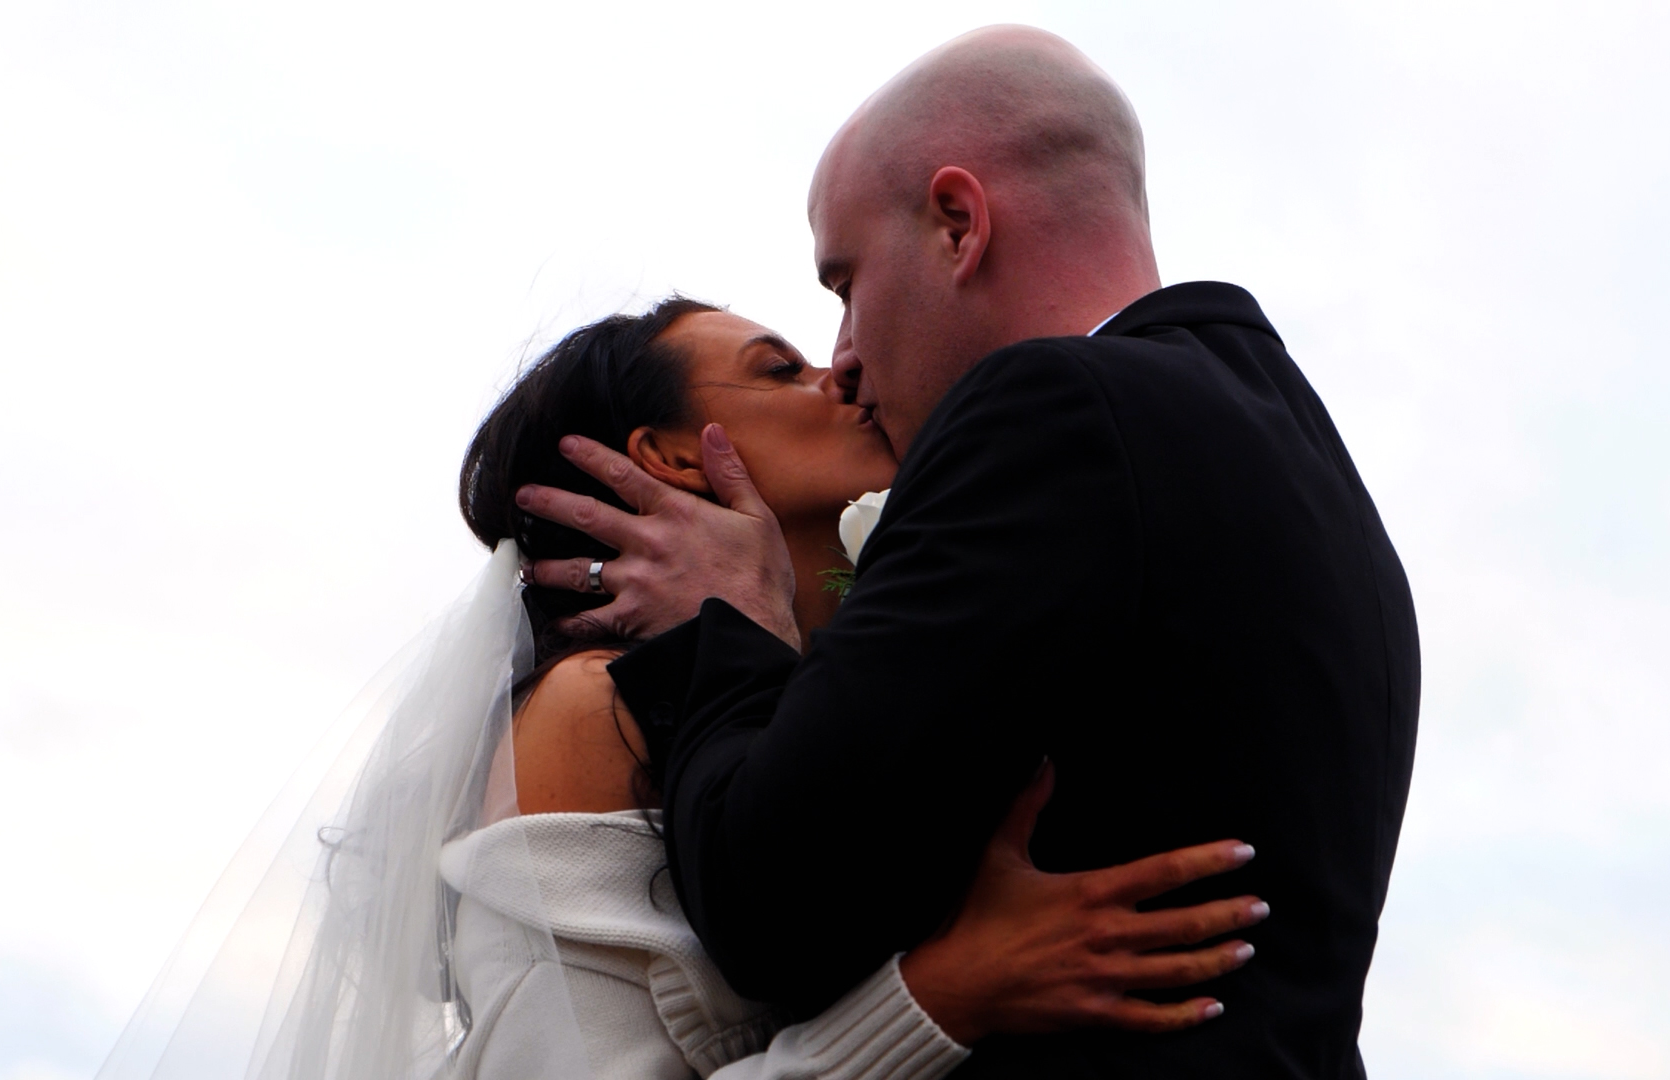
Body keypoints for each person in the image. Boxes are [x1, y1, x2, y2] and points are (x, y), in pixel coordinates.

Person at [516, 26, 1421, 1080]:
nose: (845, 360)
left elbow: (776, 907)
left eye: (845, 286)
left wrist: (732, 623)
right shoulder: (1315, 477)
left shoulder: (1055, 414)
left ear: (958, 223)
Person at [94, 298, 1266, 1080]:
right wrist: (942, 994)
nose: (842, 371)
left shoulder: (842, 688)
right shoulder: (587, 712)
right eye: (781, 368)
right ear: (667, 454)